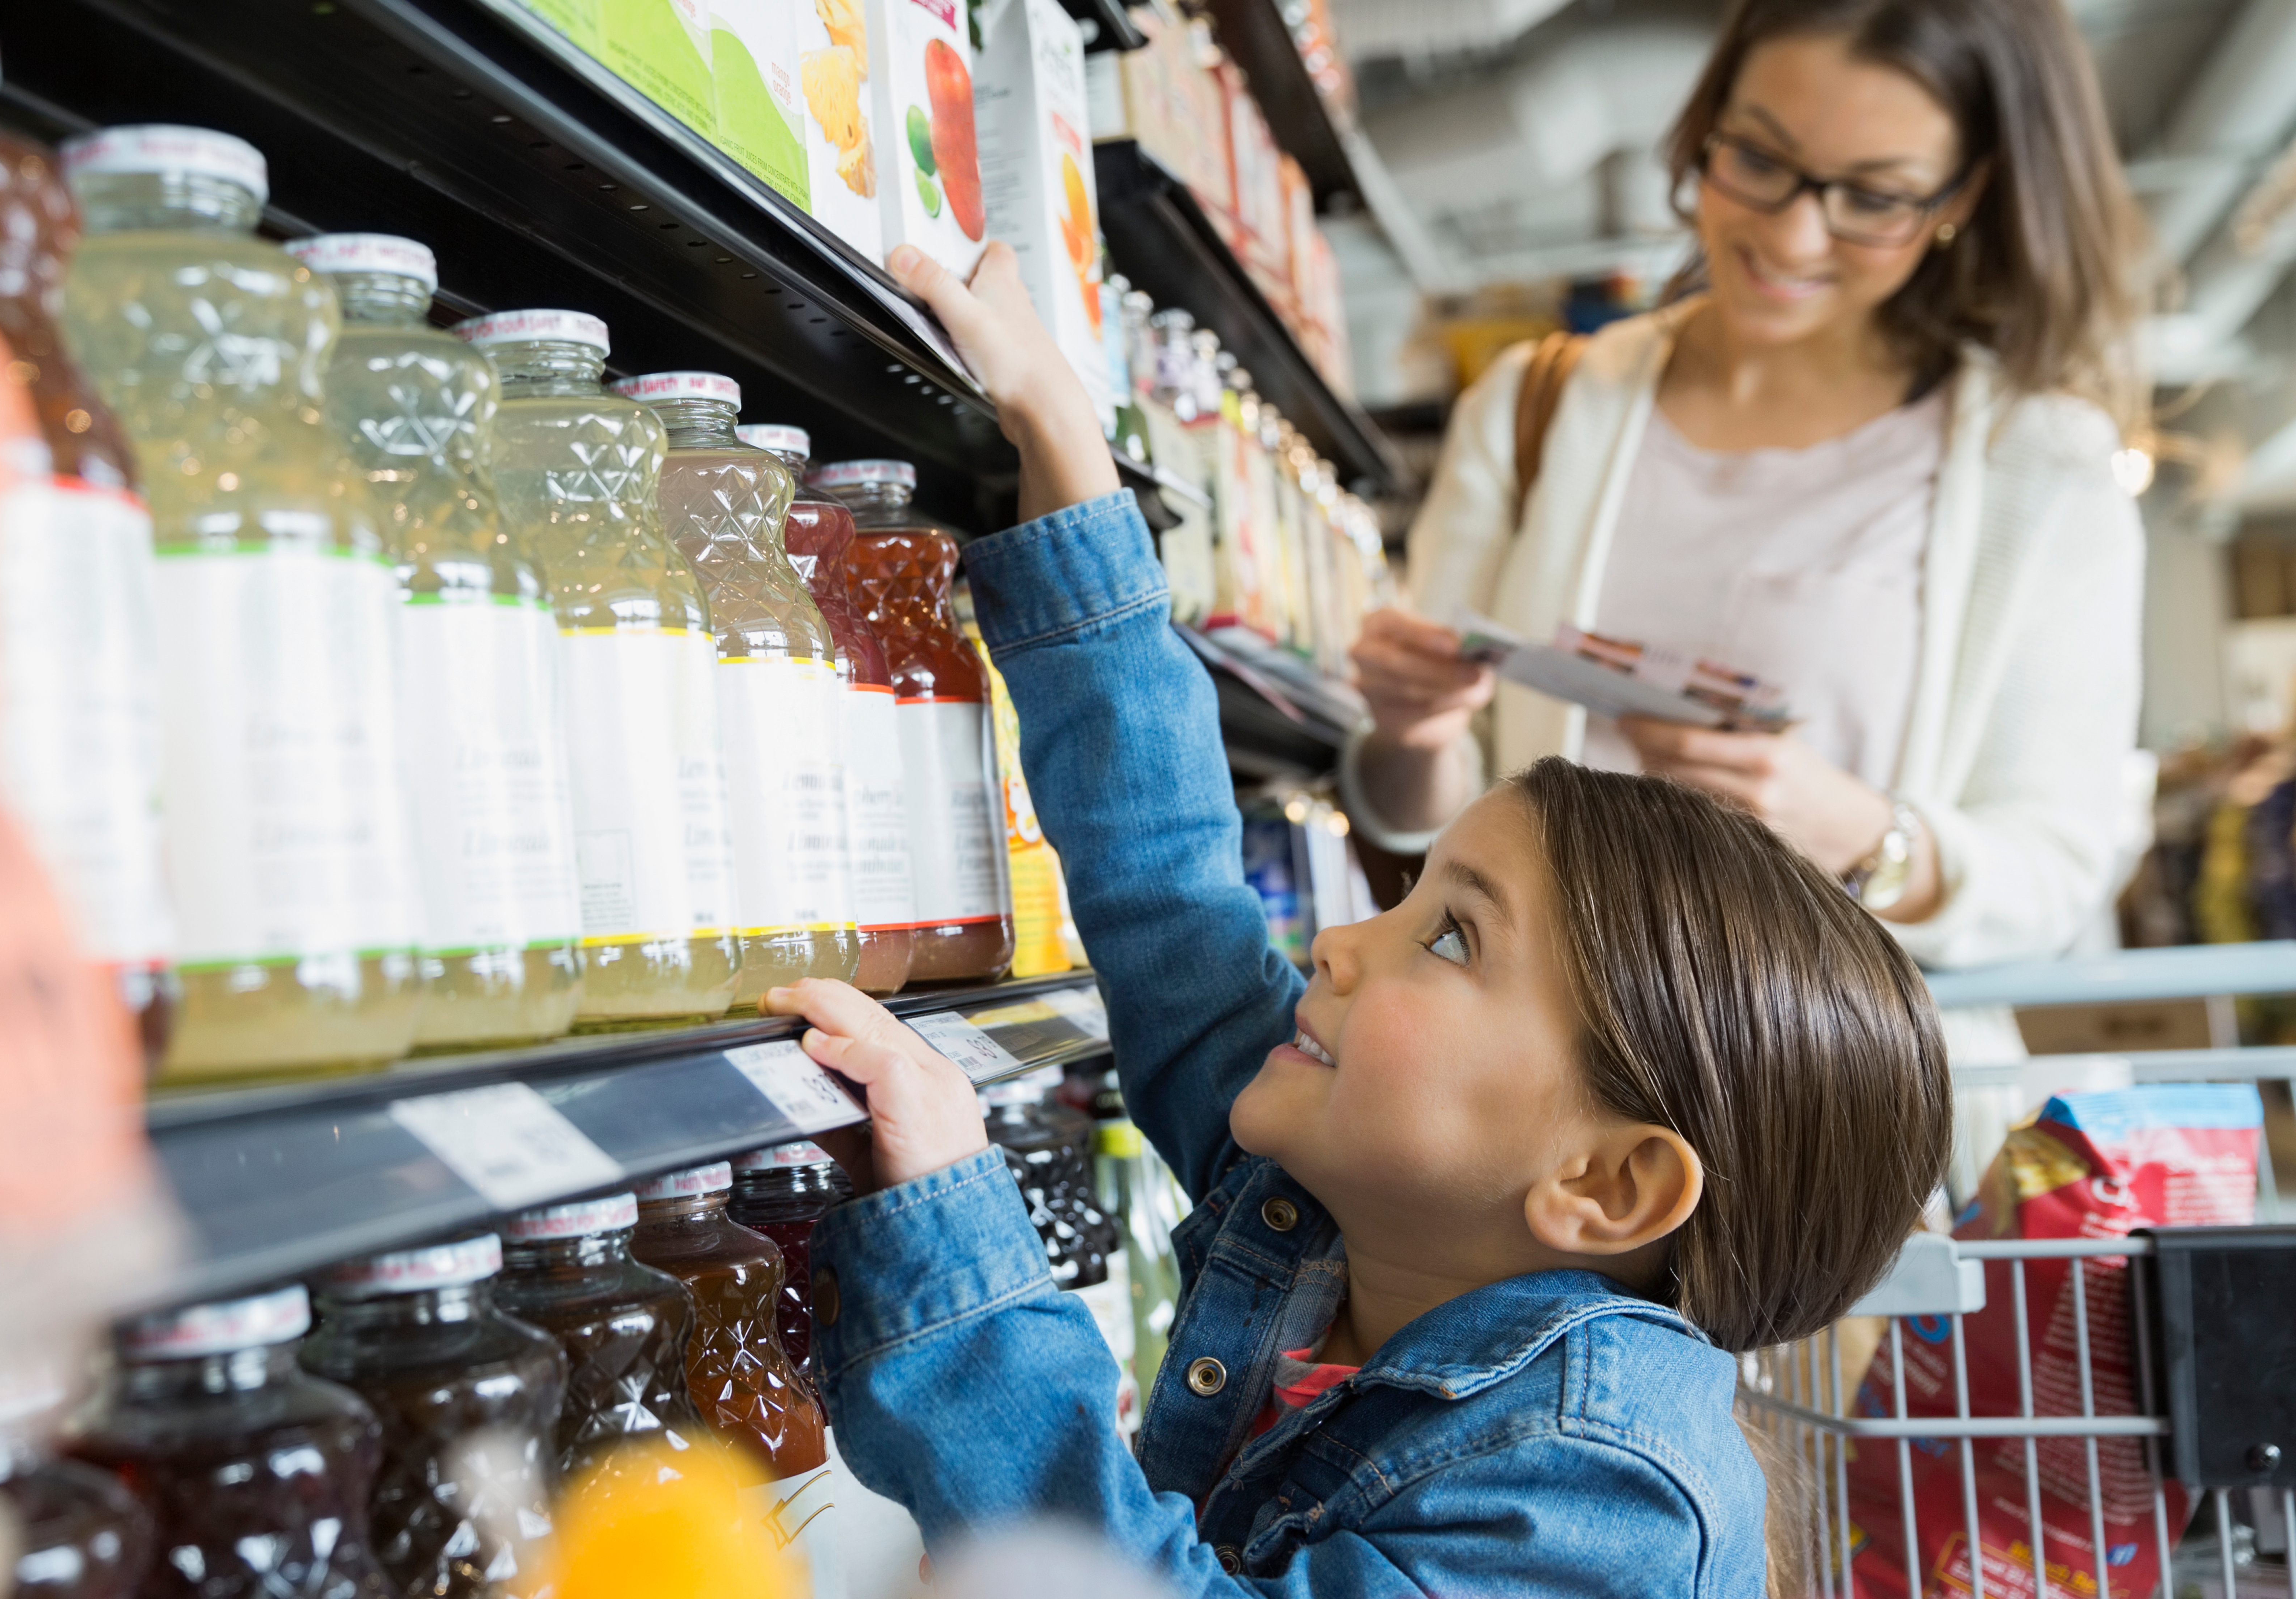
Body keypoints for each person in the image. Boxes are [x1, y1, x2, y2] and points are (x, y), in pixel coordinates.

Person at [752, 235, 1951, 1596]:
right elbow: (1172, 897)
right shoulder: (1353, 1214)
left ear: (1605, 1187)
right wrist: (1064, 448)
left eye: (1450, 936)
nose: (1335, 940)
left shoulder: (1598, 1485)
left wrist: (963, 1258)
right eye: (1410, 894)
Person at [1345, 0, 2148, 1002]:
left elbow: (2061, 873)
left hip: (1831, 1117)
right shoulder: (1538, 407)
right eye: (1759, 161)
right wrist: (1415, 736)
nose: (1792, 234)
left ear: (1967, 191)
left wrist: (1865, 836)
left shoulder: (2041, 467)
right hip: (1532, 1094)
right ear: (1706, 119)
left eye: (1874, 197)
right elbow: (1420, 821)